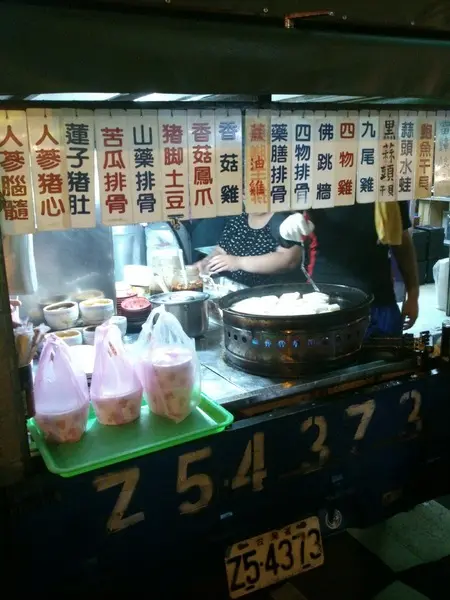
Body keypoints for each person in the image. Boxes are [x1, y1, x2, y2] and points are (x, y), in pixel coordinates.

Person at [280, 202, 419, 336]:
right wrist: (285, 228)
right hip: (324, 301)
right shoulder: (316, 186)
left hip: (380, 300)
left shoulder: (387, 188)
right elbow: (285, 222)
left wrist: (413, 294)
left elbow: (402, 242)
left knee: (388, 351)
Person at [198, 211, 302, 287]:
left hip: (274, 294)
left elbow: (289, 260)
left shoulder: (285, 220)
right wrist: (207, 262)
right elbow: (221, 250)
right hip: (237, 292)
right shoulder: (239, 218)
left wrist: (238, 262)